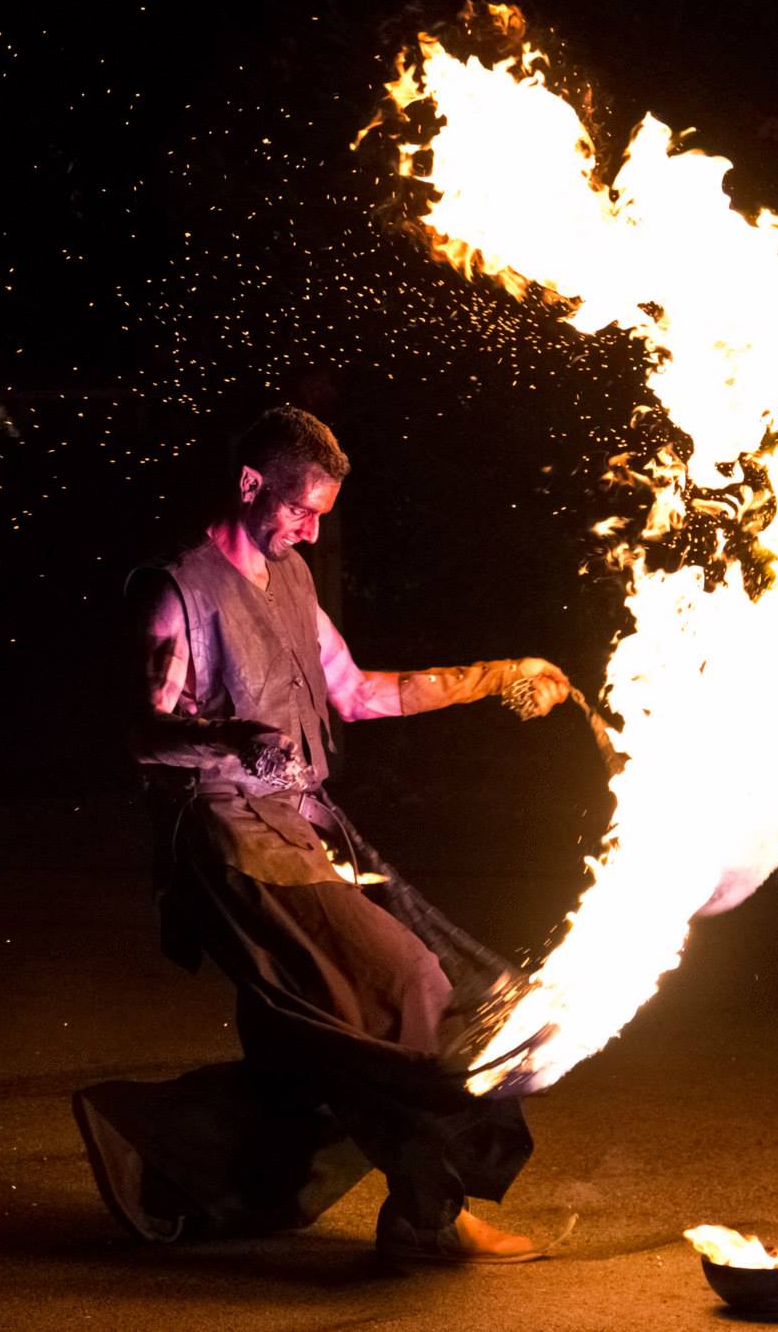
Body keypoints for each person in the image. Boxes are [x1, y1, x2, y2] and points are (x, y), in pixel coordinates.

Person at [73, 403, 572, 1264]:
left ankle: (165, 1163)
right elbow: (141, 733)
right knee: (408, 980)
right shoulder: (176, 590)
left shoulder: (293, 582)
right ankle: (428, 1215)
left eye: (321, 520)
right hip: (233, 843)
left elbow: (356, 693)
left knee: (307, 1052)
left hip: (304, 831)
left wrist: (493, 676)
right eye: (299, 511)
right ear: (249, 483)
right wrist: (229, 739)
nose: (308, 534)